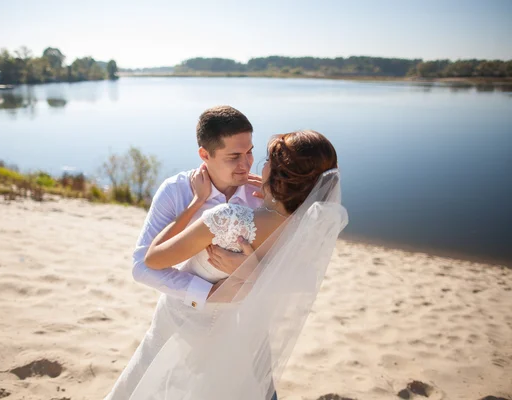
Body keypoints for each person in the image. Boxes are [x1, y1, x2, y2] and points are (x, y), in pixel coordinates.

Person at [104, 128, 348, 399]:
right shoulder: (305, 229)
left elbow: (153, 258)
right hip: (209, 329)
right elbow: (303, 280)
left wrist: (196, 204)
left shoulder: (230, 218)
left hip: (226, 332)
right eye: (235, 155)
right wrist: (253, 271)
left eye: (259, 157)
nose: (250, 165)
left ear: (279, 175)